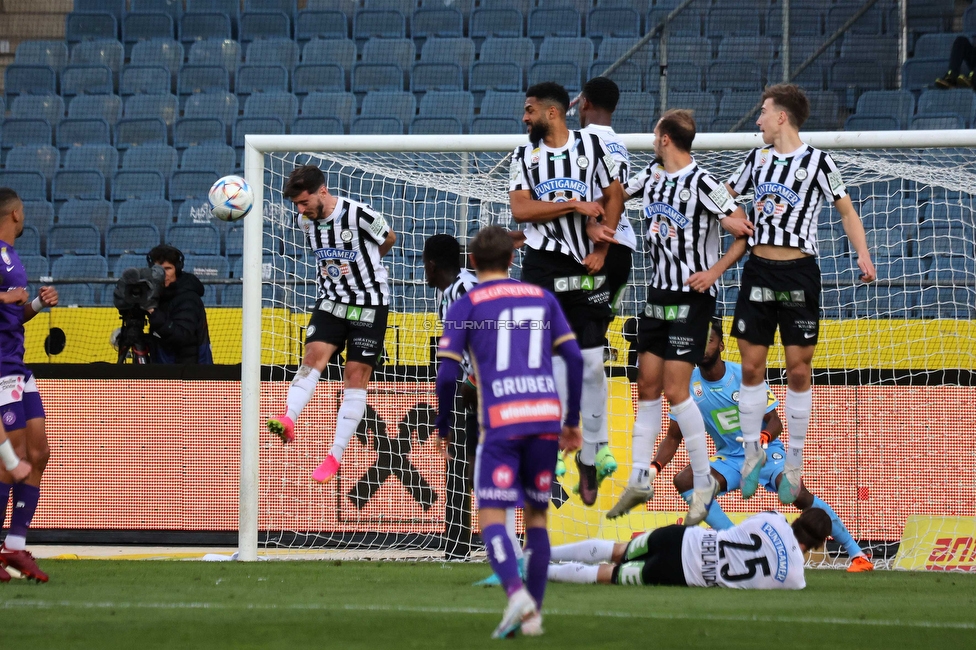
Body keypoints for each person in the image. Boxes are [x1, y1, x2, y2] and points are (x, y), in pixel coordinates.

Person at [726, 84, 875, 505]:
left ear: (781, 117)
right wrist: (733, 218)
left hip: (799, 275)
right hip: (758, 270)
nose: (757, 120)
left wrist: (863, 255)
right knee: (751, 368)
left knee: (798, 369)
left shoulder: (819, 163)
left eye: (763, 112)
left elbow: (847, 211)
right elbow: (724, 195)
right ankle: (752, 453)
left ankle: (794, 460)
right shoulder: (755, 160)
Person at [605, 109, 753, 526]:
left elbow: (743, 231)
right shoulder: (650, 176)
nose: (653, 140)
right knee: (647, 386)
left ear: (665, 137)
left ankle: (703, 479)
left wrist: (715, 272)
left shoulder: (705, 183)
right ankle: (638, 478)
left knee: (674, 389)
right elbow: (615, 197)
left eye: (656, 134)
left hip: (693, 299)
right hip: (657, 296)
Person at [435, 226, 583, 638]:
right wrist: (571, 421)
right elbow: (573, 359)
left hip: (501, 419)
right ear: (512, 260)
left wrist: (444, 423)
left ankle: (515, 593)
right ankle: (533, 617)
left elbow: (447, 375)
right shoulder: (542, 297)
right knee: (537, 518)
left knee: (491, 516)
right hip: (544, 417)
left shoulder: (465, 304)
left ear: (473, 262)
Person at [649, 319, 874, 573]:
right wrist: (654, 467)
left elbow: (775, 421)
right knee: (685, 480)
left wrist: (762, 441)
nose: (702, 347)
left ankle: (857, 554)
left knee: (797, 495)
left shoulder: (744, 377)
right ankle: (736, 542)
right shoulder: (687, 386)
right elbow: (673, 437)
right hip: (731, 458)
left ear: (721, 345)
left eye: (708, 341)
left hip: (766, 450)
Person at [509, 81, 623, 507]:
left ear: (551, 113)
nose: (525, 118)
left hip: (585, 264)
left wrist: (602, 248)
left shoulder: (592, 147)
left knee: (593, 363)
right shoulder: (524, 156)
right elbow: (521, 210)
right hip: (542, 265)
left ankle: (590, 457)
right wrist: (575, 206)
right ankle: (557, 442)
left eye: (529, 110)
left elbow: (613, 197)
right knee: (550, 359)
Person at [267, 165, 397, 484]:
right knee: (312, 358)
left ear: (322, 191)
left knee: (355, 376)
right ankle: (288, 417)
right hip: (331, 303)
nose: (300, 209)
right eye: (296, 204)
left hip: (368, 306)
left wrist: (369, 265)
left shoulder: (359, 214)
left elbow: (390, 237)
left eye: (304, 202)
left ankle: (334, 456)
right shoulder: (305, 221)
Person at [0, 187, 59, 583]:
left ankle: (15, 547)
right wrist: (4, 296)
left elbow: (12, 315)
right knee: (10, 463)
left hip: (17, 365)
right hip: (0, 367)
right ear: (16, 213)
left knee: (39, 453)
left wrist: (35, 305)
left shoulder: (12, 256)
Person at [547, 507, 831, 589]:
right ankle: (537, 571)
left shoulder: (773, 519)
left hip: (682, 538)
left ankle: (540, 555)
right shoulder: (795, 578)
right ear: (817, 544)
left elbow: (749, 525)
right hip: (681, 572)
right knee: (609, 574)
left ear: (799, 517)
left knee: (618, 549)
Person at [422, 234, 483, 562]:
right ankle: (458, 546)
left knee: (463, 467)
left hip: (480, 388)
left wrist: (472, 380)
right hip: (478, 386)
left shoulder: (460, 293)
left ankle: (460, 547)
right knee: (464, 467)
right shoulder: (464, 284)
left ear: (431, 265)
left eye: (424, 264)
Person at [146, 245, 213, 364]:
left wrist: (153, 312)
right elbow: (160, 337)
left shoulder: (188, 299)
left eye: (167, 269)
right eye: (157, 269)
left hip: (188, 372)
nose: (162, 274)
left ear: (177, 269)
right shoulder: (158, 294)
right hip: (169, 366)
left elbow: (181, 336)